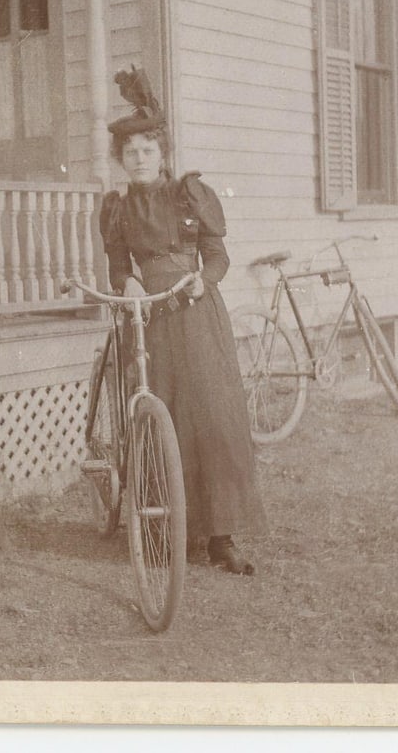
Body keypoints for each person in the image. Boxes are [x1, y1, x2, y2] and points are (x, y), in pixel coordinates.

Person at [99, 66, 268, 575]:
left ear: (162, 153)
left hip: (195, 315)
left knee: (213, 417)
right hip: (147, 320)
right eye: (130, 153)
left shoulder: (189, 196)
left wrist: (203, 280)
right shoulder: (116, 208)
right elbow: (116, 264)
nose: (139, 159)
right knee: (157, 416)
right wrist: (125, 281)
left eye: (147, 150)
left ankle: (221, 535)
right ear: (120, 160)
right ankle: (160, 529)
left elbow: (217, 257)